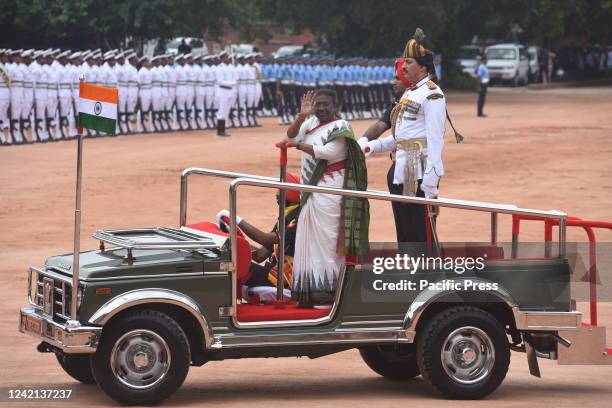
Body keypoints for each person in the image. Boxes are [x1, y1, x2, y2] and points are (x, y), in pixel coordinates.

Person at [283, 88, 369, 307]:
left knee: (328, 243)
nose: (321, 108)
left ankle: (331, 293)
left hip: (330, 190)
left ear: (335, 105)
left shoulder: (342, 127)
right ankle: (310, 293)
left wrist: (298, 146)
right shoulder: (309, 122)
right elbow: (289, 136)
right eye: (317, 104)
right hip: (310, 192)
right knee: (309, 240)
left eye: (325, 104)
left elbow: (328, 152)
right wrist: (302, 115)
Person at [363, 28, 445, 246]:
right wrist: (373, 146)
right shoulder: (410, 93)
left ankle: (426, 275)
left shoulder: (432, 93)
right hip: (403, 167)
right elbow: (402, 136)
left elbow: (436, 139)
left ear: (423, 66)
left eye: (409, 62)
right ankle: (409, 273)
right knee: (405, 230)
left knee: (421, 232)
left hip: (418, 170)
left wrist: (432, 177)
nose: (404, 66)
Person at [216, 172, 302, 302]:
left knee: (230, 265)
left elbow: (265, 238)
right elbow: (260, 255)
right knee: (233, 260)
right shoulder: (286, 217)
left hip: (285, 282)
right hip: (274, 274)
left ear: (288, 194)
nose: (276, 195)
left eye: (279, 192)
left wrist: (236, 219)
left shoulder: (298, 218)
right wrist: (236, 240)